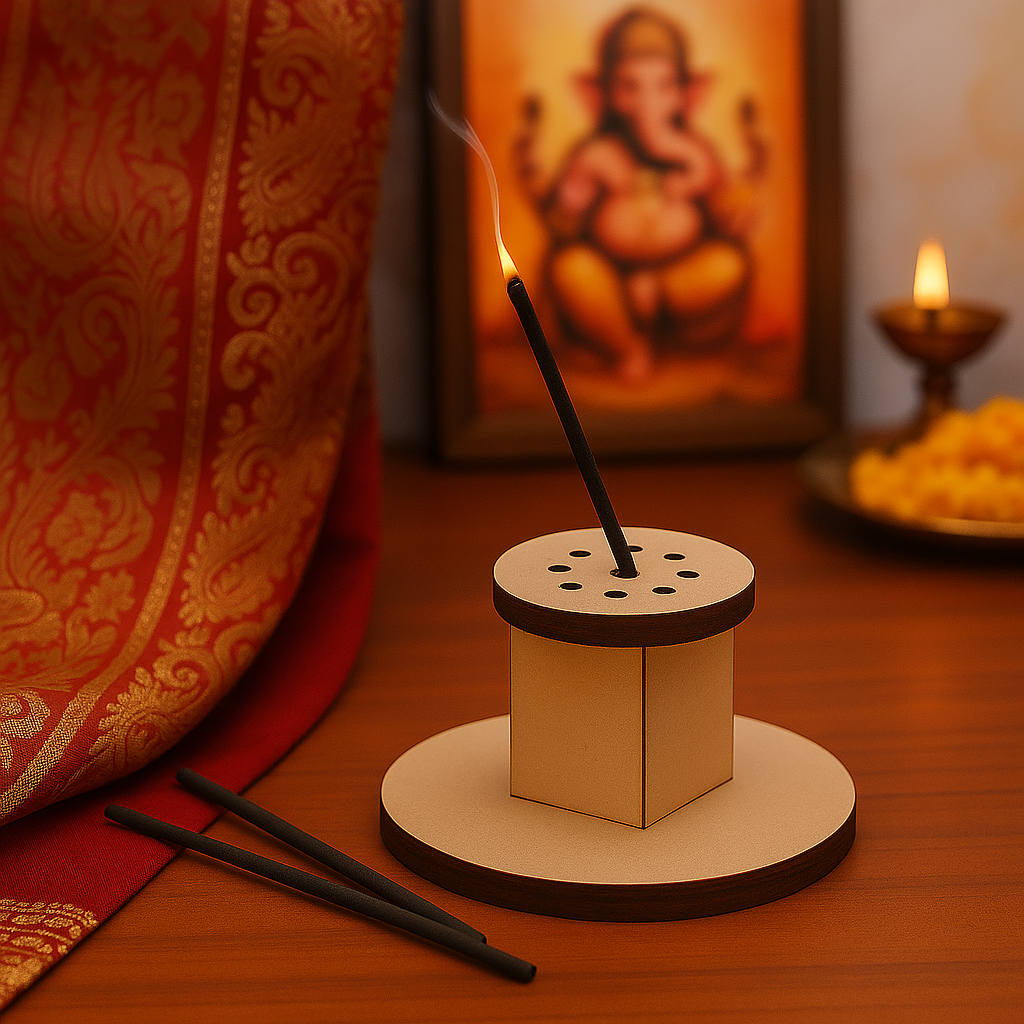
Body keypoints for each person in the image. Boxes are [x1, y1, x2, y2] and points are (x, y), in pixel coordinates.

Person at [522, 8, 753, 383]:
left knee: (729, 264)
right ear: (604, 95)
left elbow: (727, 214)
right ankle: (627, 344)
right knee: (570, 268)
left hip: (677, 284)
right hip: (611, 281)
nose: (648, 100)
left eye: (664, 87)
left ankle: (658, 306)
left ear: (687, 95)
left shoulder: (696, 151)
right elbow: (563, 221)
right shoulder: (598, 154)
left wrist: (733, 206)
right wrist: (571, 198)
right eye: (630, 87)